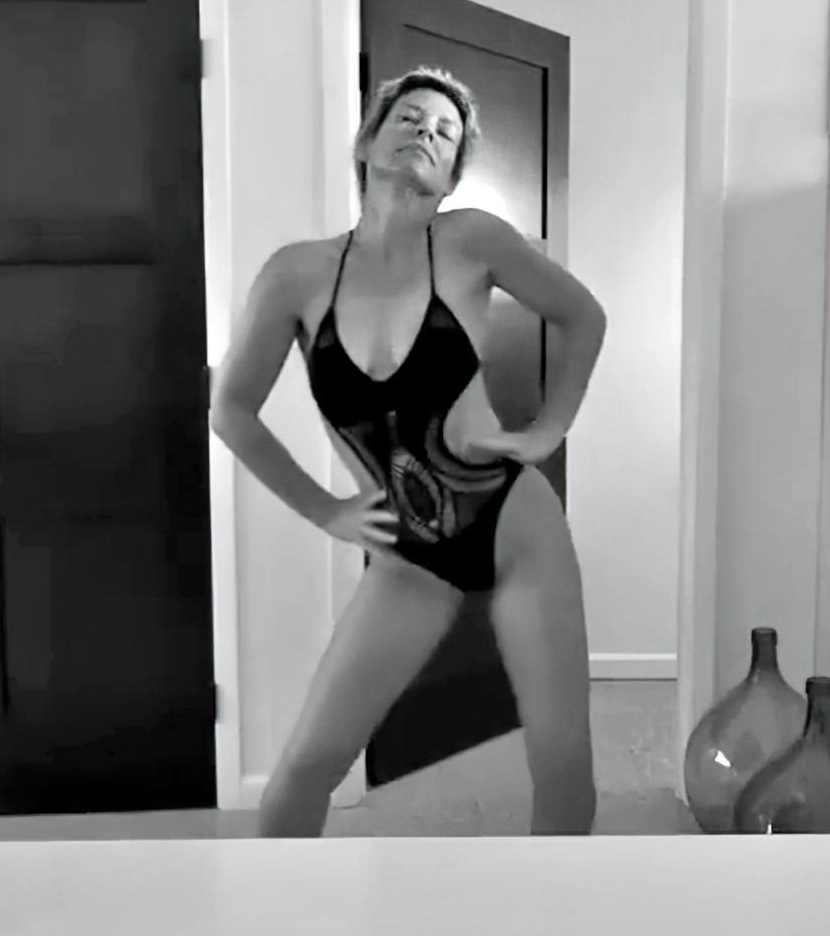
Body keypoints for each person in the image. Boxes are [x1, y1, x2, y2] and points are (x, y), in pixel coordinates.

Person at [209, 65, 608, 837]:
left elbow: (583, 315)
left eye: (445, 132)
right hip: (410, 552)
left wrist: (549, 430)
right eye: (409, 118)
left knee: (561, 760)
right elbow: (231, 409)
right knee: (306, 766)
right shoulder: (295, 273)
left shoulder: (471, 241)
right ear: (367, 142)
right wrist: (323, 509)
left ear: (453, 173)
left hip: (515, 527)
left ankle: (559, 899)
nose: (425, 131)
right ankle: (269, 900)